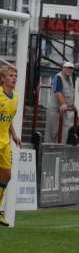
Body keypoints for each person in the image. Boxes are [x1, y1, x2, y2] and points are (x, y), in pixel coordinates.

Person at [0, 65, 22, 226]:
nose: (14, 78)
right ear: (3, 78)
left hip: (5, 142)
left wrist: (14, 135)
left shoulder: (16, 98)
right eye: (11, 75)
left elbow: (9, 119)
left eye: (15, 76)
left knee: (7, 176)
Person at [45, 62, 76, 143]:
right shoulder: (58, 77)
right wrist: (63, 104)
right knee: (52, 132)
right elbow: (58, 91)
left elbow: (70, 92)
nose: (70, 70)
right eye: (68, 68)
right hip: (55, 109)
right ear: (63, 68)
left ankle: (60, 149)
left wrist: (71, 105)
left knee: (64, 131)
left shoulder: (70, 79)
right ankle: (48, 151)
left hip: (64, 110)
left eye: (71, 68)